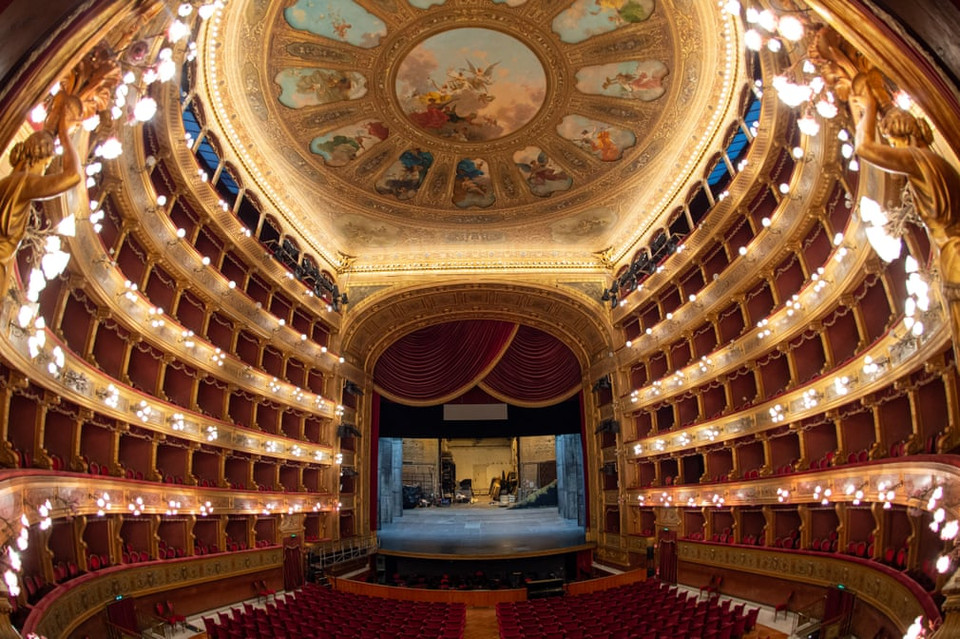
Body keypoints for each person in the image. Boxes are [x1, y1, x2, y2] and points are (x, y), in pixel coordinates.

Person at [851, 79, 960, 361]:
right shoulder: (938, 164)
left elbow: (864, 149)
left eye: (892, 142)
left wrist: (869, 107)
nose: (892, 149)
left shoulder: (919, 160)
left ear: (903, 139)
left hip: (954, 256)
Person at [0, 94, 81, 293]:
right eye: (48, 162)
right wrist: (64, 132)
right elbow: (73, 176)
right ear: (41, 158)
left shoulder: (7, 182)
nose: (47, 166)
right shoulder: (23, 183)